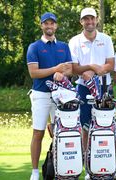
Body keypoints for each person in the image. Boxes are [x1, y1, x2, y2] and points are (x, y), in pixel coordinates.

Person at [68, 7, 115, 180]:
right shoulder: (74, 41)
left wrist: (96, 70)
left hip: (105, 87)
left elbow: (110, 64)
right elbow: (74, 68)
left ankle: (106, 164)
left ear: (97, 20)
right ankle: (88, 167)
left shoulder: (106, 39)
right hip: (83, 87)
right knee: (85, 127)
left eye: (92, 19)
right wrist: (91, 68)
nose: (89, 22)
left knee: (106, 126)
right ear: (81, 22)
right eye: (86, 19)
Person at [26, 12, 72, 180]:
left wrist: (63, 74)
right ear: (42, 26)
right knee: (38, 133)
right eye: (46, 24)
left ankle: (61, 169)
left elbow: (69, 69)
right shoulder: (34, 47)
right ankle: (35, 172)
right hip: (41, 95)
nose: (49, 26)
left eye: (52, 23)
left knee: (60, 133)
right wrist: (55, 69)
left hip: (60, 96)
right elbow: (34, 73)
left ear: (56, 26)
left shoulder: (64, 46)